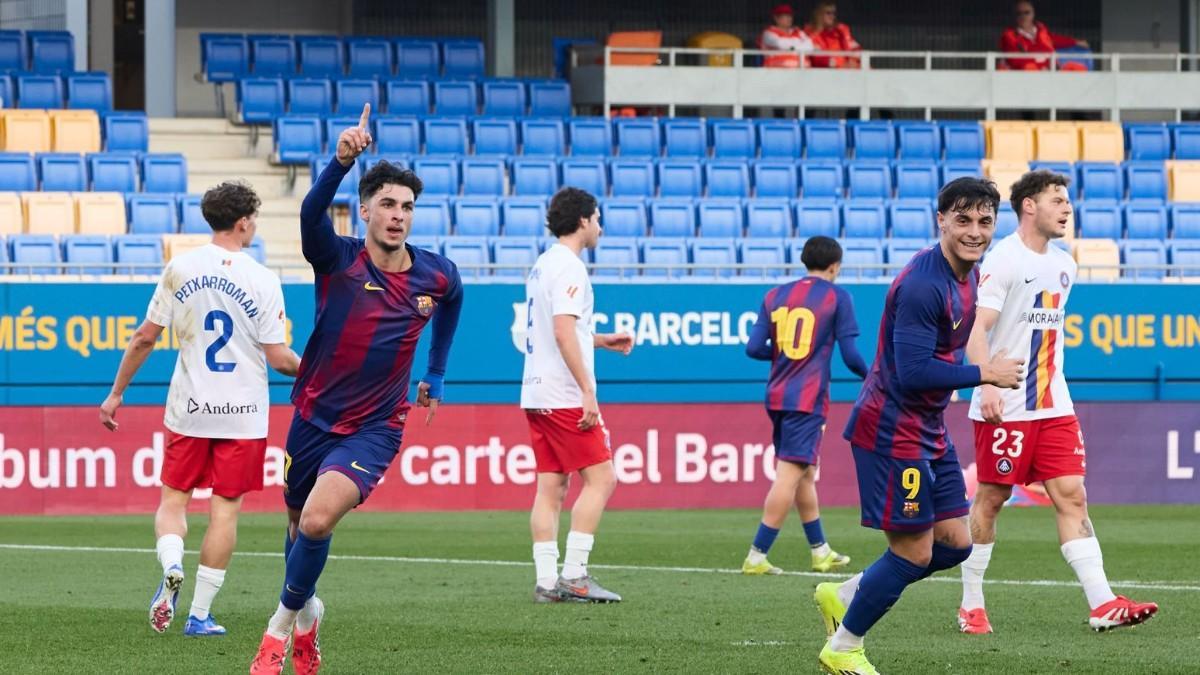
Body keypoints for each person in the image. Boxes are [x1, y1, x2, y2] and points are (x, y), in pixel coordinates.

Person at [250, 103, 464, 674]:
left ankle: (275, 633)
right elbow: (310, 213)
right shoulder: (337, 258)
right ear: (365, 210)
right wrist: (340, 163)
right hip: (312, 415)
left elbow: (453, 304)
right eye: (389, 205)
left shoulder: (436, 275)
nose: (398, 216)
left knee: (318, 521)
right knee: (296, 525)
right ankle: (307, 614)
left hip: (375, 428)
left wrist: (435, 373)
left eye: (408, 207)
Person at [812, 178, 1025, 675]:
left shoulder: (971, 273)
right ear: (942, 221)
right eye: (963, 220)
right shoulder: (922, 285)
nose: (975, 231)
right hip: (891, 429)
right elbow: (912, 373)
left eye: (985, 221)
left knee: (955, 545)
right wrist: (983, 373)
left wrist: (977, 371)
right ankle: (843, 646)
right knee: (912, 551)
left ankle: (844, 592)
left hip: (927, 427)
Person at [957, 170, 1158, 635]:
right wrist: (986, 384)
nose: (1067, 208)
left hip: (1054, 403)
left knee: (1073, 496)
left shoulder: (1066, 264)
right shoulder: (1003, 259)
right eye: (1058, 200)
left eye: (1067, 202)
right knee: (991, 498)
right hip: (1005, 403)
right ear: (1030, 205)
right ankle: (971, 604)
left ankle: (1102, 602)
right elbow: (976, 330)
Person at [99, 180, 300, 637]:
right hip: (244, 414)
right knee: (225, 512)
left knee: (174, 501)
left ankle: (172, 567)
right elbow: (280, 358)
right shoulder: (264, 279)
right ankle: (199, 615)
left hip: (190, 407)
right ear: (244, 221)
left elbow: (144, 337)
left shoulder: (181, 267)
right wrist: (318, 370)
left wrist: (116, 393)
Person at [524, 186, 633, 604]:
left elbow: (560, 329)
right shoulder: (570, 267)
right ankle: (575, 574)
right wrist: (588, 389)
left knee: (550, 487)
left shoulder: (543, 264)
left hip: (536, 391)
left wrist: (601, 340)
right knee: (603, 478)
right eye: (598, 218)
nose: (600, 227)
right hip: (565, 393)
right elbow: (562, 330)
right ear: (584, 220)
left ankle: (548, 581)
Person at [740, 236, 868, 577]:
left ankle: (820, 550)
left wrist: (783, 354)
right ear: (835, 266)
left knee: (805, 473)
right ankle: (757, 555)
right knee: (790, 474)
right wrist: (872, 377)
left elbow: (753, 349)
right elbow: (851, 354)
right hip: (807, 398)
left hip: (778, 395)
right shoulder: (838, 297)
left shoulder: (774, 295)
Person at [1000, 1, 1089, 71]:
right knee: (1030, 68)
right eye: (1019, 13)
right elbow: (1014, 60)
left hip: (1051, 69)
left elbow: (1053, 39)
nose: (1023, 16)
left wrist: (1075, 42)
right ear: (1014, 16)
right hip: (1026, 76)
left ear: (1033, 13)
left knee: (1078, 69)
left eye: (1026, 12)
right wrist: (1041, 67)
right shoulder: (1009, 35)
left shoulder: (1040, 28)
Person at [805, 1, 860, 69]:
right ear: (819, 14)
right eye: (828, 13)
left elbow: (856, 49)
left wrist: (852, 61)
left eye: (833, 13)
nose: (832, 16)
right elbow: (818, 58)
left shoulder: (842, 30)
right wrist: (840, 66)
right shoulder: (811, 34)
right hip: (826, 73)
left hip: (847, 71)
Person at [759, 4, 814, 68]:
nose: (789, 18)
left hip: (802, 72)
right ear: (776, 18)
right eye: (785, 15)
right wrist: (799, 44)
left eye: (790, 16)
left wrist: (791, 48)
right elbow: (780, 44)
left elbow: (810, 46)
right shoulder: (768, 33)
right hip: (776, 72)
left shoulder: (798, 32)